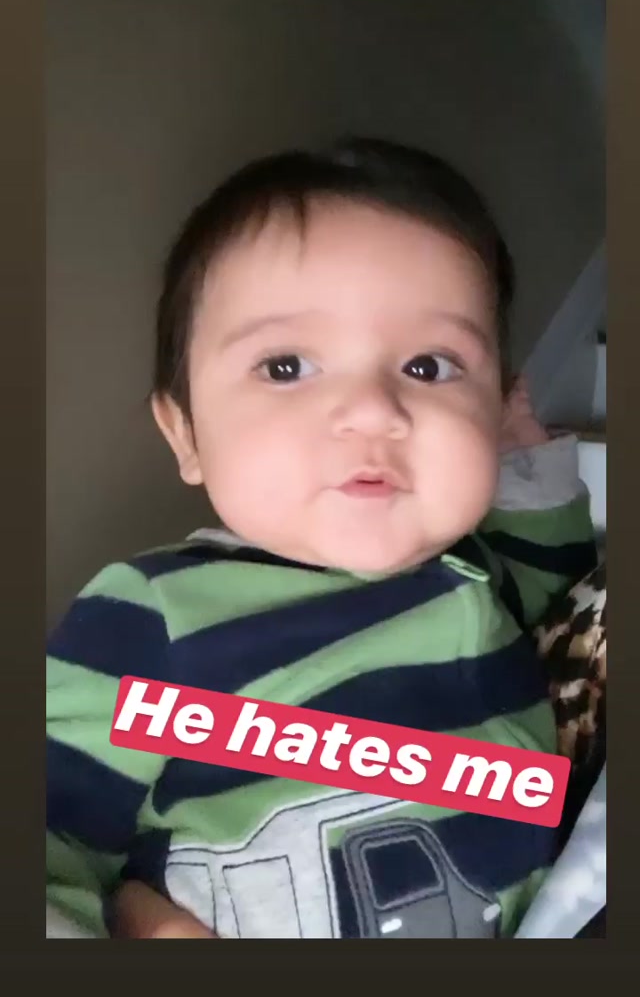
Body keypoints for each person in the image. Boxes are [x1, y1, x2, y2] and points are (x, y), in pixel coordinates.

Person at [46, 137, 596, 939]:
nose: (373, 410)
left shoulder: (480, 574)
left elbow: (567, 594)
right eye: (285, 366)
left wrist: (525, 458)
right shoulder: (155, 616)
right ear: (185, 434)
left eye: (430, 366)